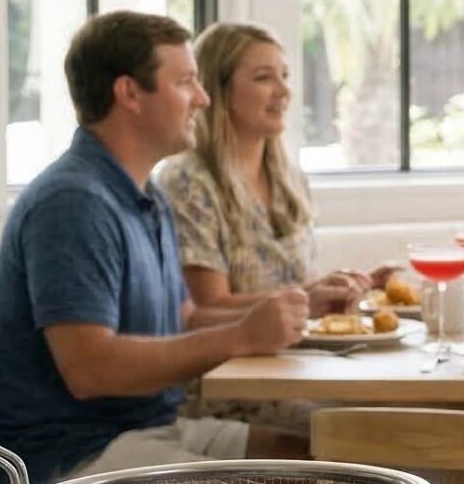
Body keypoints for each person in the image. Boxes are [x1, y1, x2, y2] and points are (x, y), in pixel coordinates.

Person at [0, 11, 308, 484]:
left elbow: (187, 317)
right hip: (71, 461)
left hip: (150, 430)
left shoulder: (145, 196)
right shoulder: (72, 202)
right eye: (185, 83)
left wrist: (278, 312)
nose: (201, 99)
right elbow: (90, 369)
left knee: (321, 461)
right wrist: (240, 337)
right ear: (129, 93)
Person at [155, 21, 394, 318]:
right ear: (220, 91)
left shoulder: (290, 179)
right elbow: (205, 307)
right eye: (263, 78)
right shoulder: (188, 183)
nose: (284, 91)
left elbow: (295, 287)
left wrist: (350, 285)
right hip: (231, 362)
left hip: (296, 356)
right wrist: (307, 301)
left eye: (284, 76)